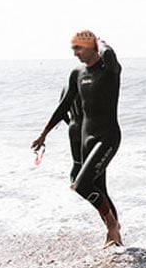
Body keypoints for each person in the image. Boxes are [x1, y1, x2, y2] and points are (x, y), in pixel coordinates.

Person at [32, 31, 123, 248]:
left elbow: (109, 52)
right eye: (73, 49)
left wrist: (99, 40)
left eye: (79, 48)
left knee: (82, 185)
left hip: (108, 136)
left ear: (93, 47)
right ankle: (115, 237)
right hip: (85, 137)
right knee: (99, 189)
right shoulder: (77, 73)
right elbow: (63, 105)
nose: (75, 54)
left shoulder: (109, 69)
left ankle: (112, 225)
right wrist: (44, 133)